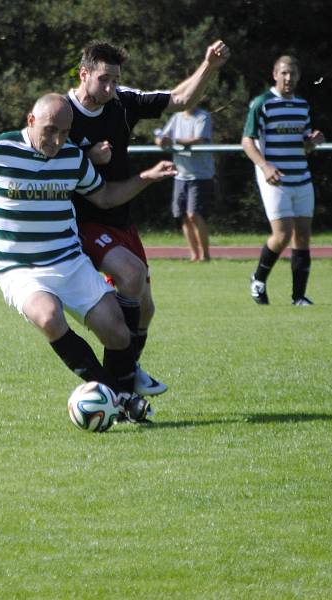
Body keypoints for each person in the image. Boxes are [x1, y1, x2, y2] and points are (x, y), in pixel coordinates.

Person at [0, 93, 176, 424]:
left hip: (68, 261)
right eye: (50, 130)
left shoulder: (72, 158)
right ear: (30, 121)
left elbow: (105, 197)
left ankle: (119, 395)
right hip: (19, 269)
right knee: (49, 317)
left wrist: (146, 178)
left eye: (64, 133)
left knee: (118, 333)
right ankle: (122, 398)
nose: (56, 140)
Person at [67, 39, 230, 396]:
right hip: (81, 221)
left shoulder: (123, 101)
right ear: (84, 74)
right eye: (103, 80)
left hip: (120, 217)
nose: (111, 88)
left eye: (115, 80)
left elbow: (180, 101)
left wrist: (209, 66)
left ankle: (126, 371)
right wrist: (86, 159)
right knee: (131, 274)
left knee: (145, 308)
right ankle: (120, 388)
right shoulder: (62, 113)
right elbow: (41, 156)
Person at [242, 55, 325, 306]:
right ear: (275, 74)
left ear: (298, 77)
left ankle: (298, 297)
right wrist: (265, 166)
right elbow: (247, 141)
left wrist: (312, 141)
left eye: (293, 74)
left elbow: (305, 144)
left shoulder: (302, 105)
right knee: (282, 235)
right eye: (284, 73)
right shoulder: (262, 103)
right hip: (275, 179)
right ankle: (258, 278)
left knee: (303, 235)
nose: (288, 78)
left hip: (301, 176)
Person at [154, 104, 215, 262]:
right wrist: (161, 141)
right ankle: (194, 256)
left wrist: (172, 140)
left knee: (193, 214)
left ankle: (205, 255)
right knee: (183, 216)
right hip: (180, 174)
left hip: (200, 174)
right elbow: (161, 138)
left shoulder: (203, 116)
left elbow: (199, 139)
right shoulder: (177, 117)